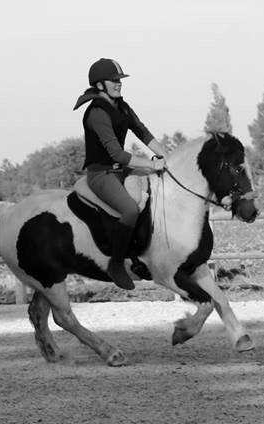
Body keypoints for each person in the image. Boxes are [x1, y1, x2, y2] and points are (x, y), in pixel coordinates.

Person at [72, 58, 168, 290]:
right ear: (100, 84)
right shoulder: (96, 112)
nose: (118, 83)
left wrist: (165, 156)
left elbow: (142, 132)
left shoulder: (121, 106)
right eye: (114, 80)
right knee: (129, 209)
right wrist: (151, 164)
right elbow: (116, 154)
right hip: (101, 174)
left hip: (120, 170)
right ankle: (116, 264)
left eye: (119, 80)